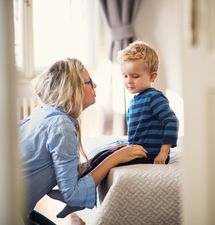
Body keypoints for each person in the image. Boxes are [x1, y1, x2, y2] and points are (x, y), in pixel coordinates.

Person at [19, 58, 147, 225]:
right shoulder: (61, 126)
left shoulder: (44, 112)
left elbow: (66, 171)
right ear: (73, 89)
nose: (95, 86)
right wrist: (116, 158)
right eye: (89, 82)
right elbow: (72, 193)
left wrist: (108, 153)